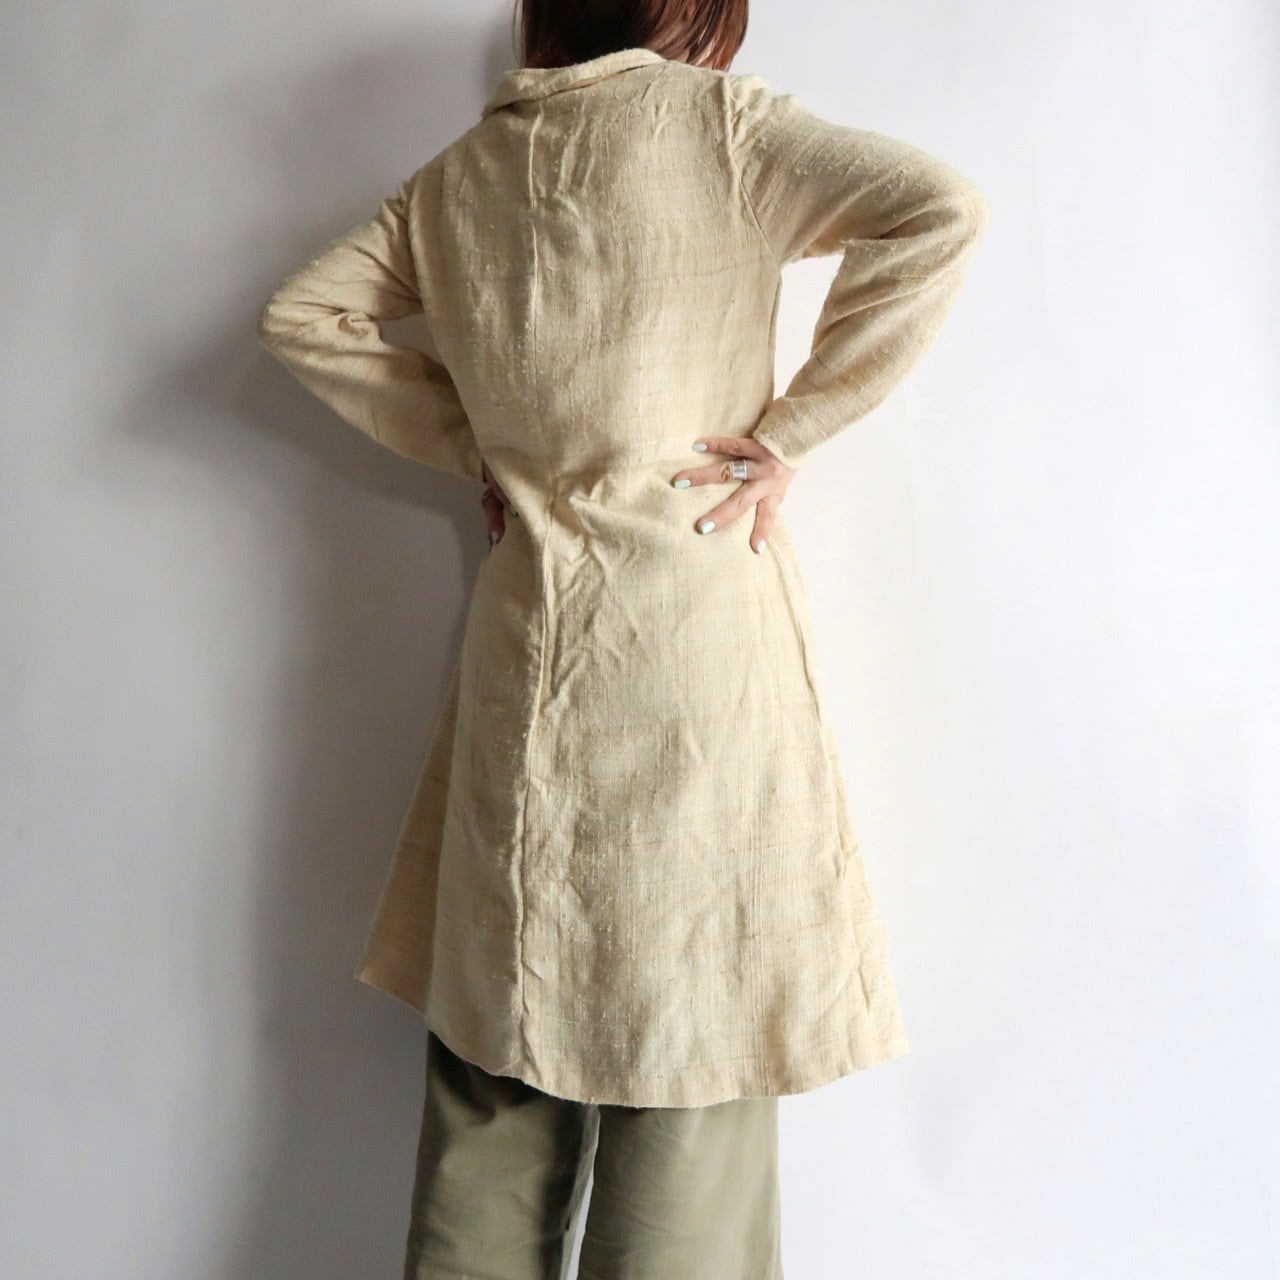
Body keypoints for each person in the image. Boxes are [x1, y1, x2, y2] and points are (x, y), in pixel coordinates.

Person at [256, 1, 990, 1274]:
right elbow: (938, 208)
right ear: (694, 11)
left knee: (499, 1029)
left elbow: (301, 315)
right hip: (693, 643)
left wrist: (476, 446)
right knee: (691, 1027)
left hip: (526, 643)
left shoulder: (459, 176)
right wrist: (789, 432)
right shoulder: (722, 129)